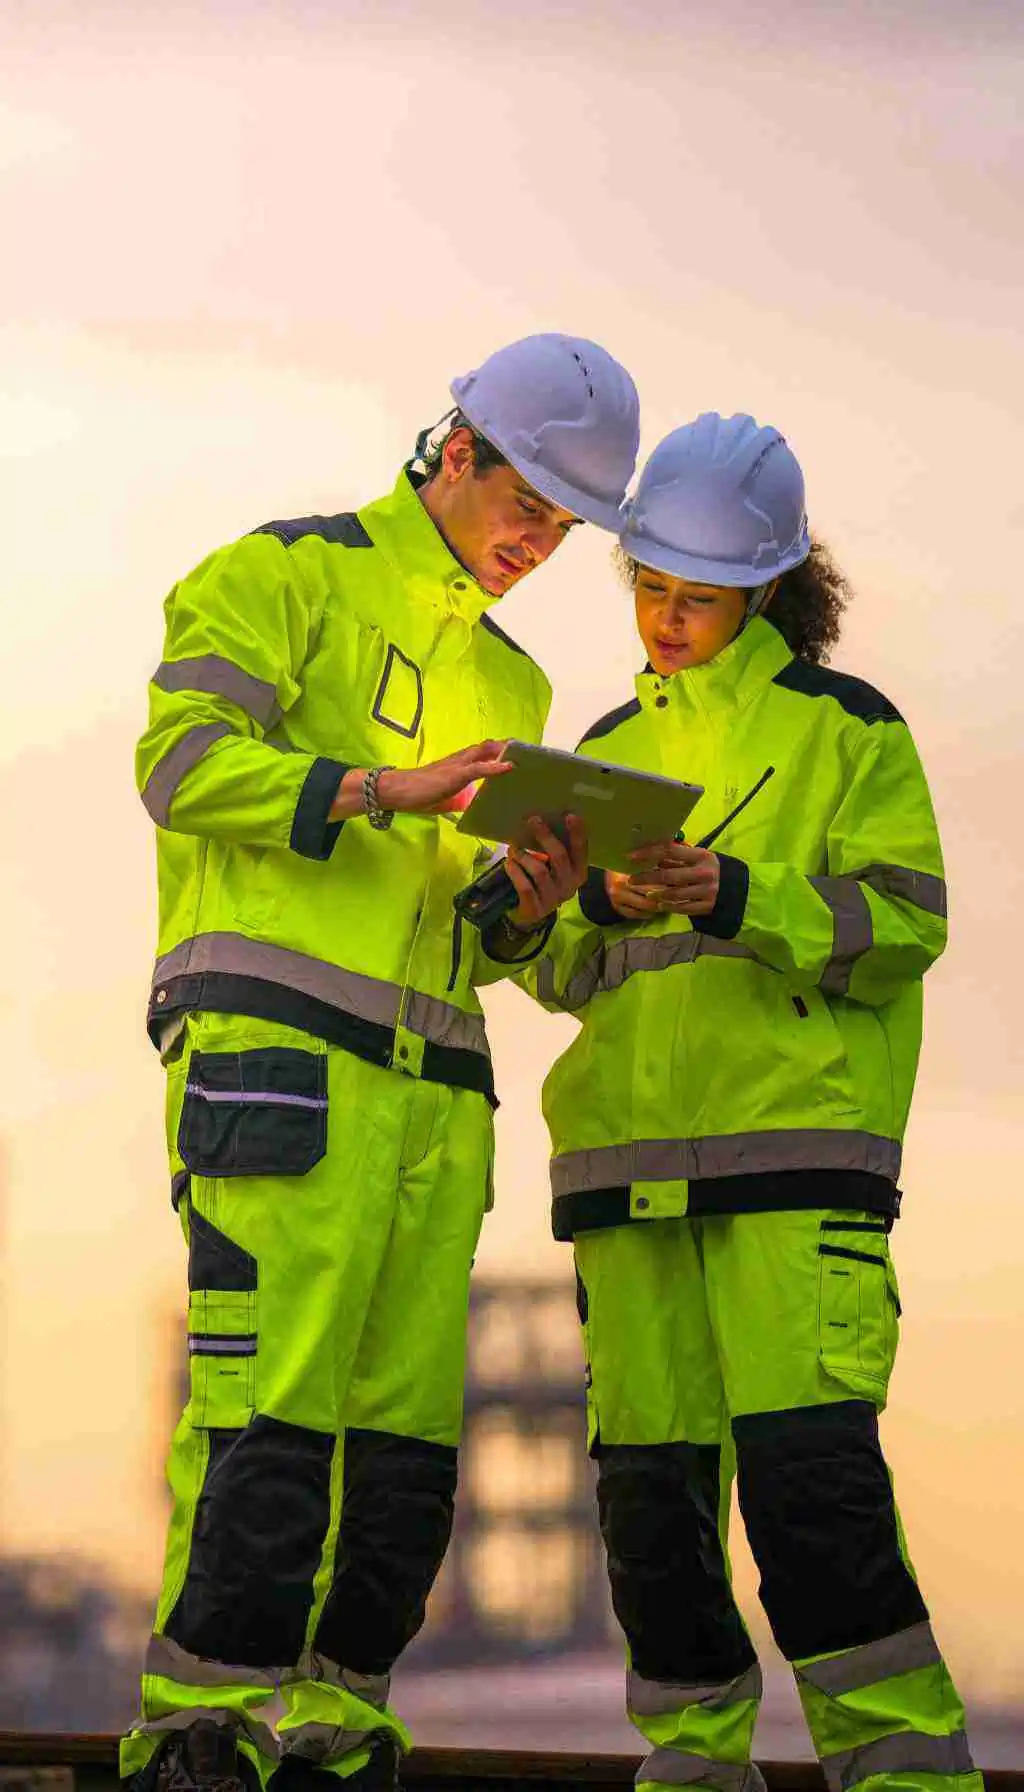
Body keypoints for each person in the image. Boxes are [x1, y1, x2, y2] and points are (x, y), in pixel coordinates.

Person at [121, 335, 640, 1792]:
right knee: (266, 1420)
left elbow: (467, 945)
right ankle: (198, 1735)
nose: (538, 546)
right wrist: (372, 788)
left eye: (563, 529)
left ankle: (336, 1731)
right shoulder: (280, 575)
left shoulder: (515, 684)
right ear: (455, 450)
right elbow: (180, 765)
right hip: (278, 1070)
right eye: (528, 507)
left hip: (431, 1096)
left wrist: (524, 908)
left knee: (403, 1466)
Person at [524, 413, 982, 1792]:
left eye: (699, 597)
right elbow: (557, 972)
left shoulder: (850, 734)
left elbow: (905, 922)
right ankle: (692, 1768)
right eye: (651, 588)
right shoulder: (602, 750)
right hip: (626, 1181)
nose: (668, 618)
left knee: (811, 1499)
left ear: (768, 589)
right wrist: (580, 901)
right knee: (649, 1514)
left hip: (794, 1184)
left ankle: (903, 1772)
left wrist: (735, 892)